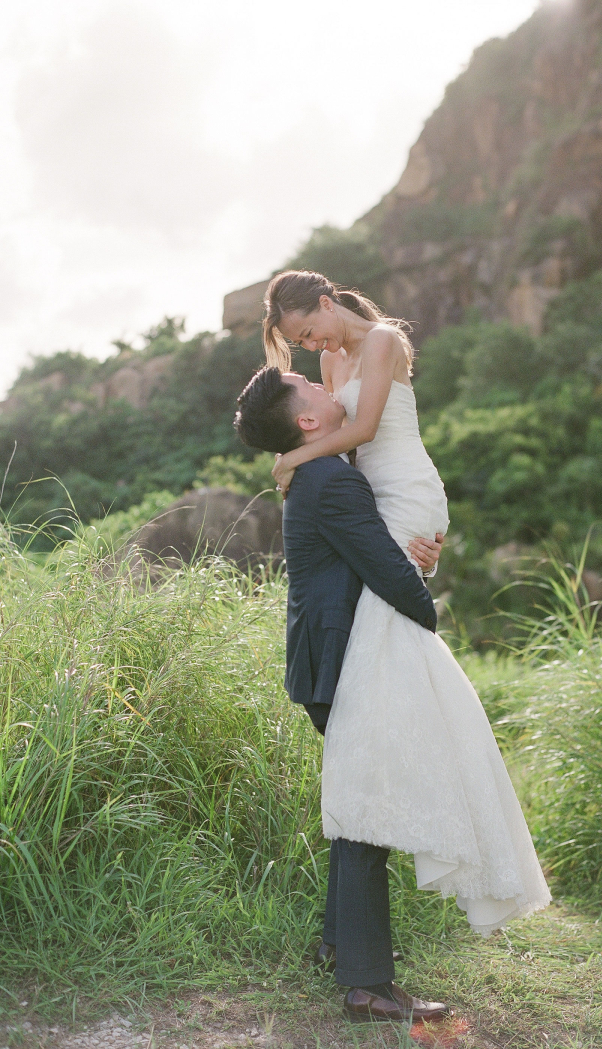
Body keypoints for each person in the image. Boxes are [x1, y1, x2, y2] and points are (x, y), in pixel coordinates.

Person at [261, 270, 550, 935]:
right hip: (371, 498)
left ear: (326, 303)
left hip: (406, 489)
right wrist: (308, 463)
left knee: (387, 640)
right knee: (381, 649)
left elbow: (362, 428)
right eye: (301, 342)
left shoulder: (384, 340)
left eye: (311, 330)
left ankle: (411, 802)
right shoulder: (331, 361)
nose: (313, 346)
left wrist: (294, 459)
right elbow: (342, 448)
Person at [234, 366, 450, 1025]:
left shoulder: (316, 474)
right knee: (368, 811)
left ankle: (340, 945)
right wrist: (430, 616)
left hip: (327, 661)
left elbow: (378, 555)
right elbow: (388, 571)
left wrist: (417, 555)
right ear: (307, 421)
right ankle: (368, 986)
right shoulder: (332, 480)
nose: (327, 387)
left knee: (360, 802)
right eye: (310, 386)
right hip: (341, 662)